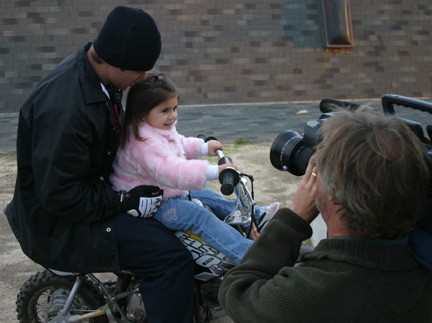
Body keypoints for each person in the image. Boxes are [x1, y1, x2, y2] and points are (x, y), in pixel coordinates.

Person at [4, 6, 196, 322]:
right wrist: (124, 200)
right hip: (60, 225)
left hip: (84, 201)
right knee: (172, 258)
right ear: (114, 60)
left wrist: (167, 147)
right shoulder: (68, 107)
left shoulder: (99, 80)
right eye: (138, 69)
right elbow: (61, 194)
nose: (144, 77)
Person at [218, 108, 432, 322]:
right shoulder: (420, 266)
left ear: (333, 198)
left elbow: (237, 290)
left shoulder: (309, 295)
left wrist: (293, 219)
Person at [110, 73, 280, 264]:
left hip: (163, 191)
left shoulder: (155, 127)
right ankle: (248, 255)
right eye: (165, 110)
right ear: (142, 112)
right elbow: (172, 170)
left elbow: (178, 143)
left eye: (174, 108)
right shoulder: (143, 142)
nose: (172, 115)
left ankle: (258, 215)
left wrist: (203, 147)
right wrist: (215, 171)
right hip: (150, 204)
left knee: (210, 197)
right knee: (198, 216)